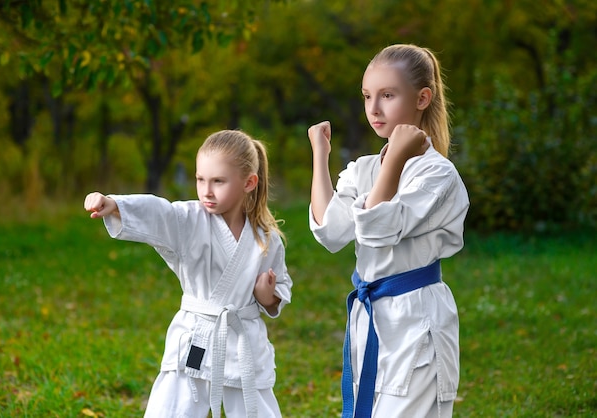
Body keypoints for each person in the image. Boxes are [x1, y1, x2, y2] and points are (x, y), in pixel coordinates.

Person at [307, 44, 469, 418]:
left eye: (388, 95)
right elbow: (331, 231)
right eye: (367, 96)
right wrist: (320, 154)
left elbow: (376, 230)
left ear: (422, 98)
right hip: (373, 316)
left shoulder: (436, 174)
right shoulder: (364, 167)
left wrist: (396, 158)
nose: (374, 109)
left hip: (417, 319)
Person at [84, 130, 292, 418]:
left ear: (249, 182)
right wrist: (116, 205)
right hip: (196, 335)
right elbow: (159, 212)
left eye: (218, 181)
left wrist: (267, 297)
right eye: (200, 179)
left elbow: (279, 290)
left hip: (244, 342)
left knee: (254, 408)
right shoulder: (188, 220)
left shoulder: (266, 240)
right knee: (173, 408)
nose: (206, 190)